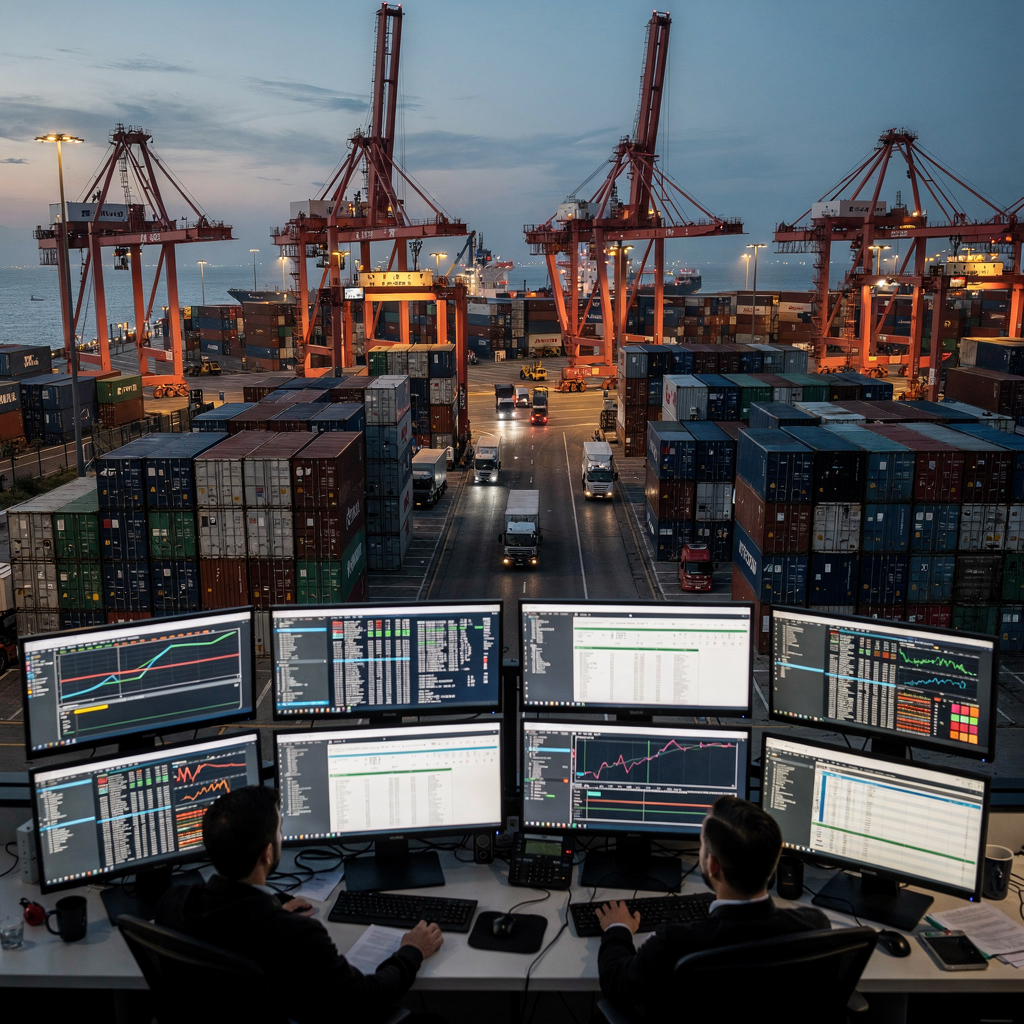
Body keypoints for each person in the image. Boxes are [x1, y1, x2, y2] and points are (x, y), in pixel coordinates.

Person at [156, 786, 443, 1024]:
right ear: (268, 854)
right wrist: (412, 951)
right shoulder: (297, 935)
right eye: (279, 831)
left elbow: (234, 921)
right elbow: (365, 998)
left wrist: (271, 908)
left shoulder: (174, 903)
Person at [595, 795, 830, 1019]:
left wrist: (617, 929)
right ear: (774, 861)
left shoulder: (674, 943)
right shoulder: (815, 925)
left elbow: (617, 986)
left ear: (712, 865)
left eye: (701, 844)